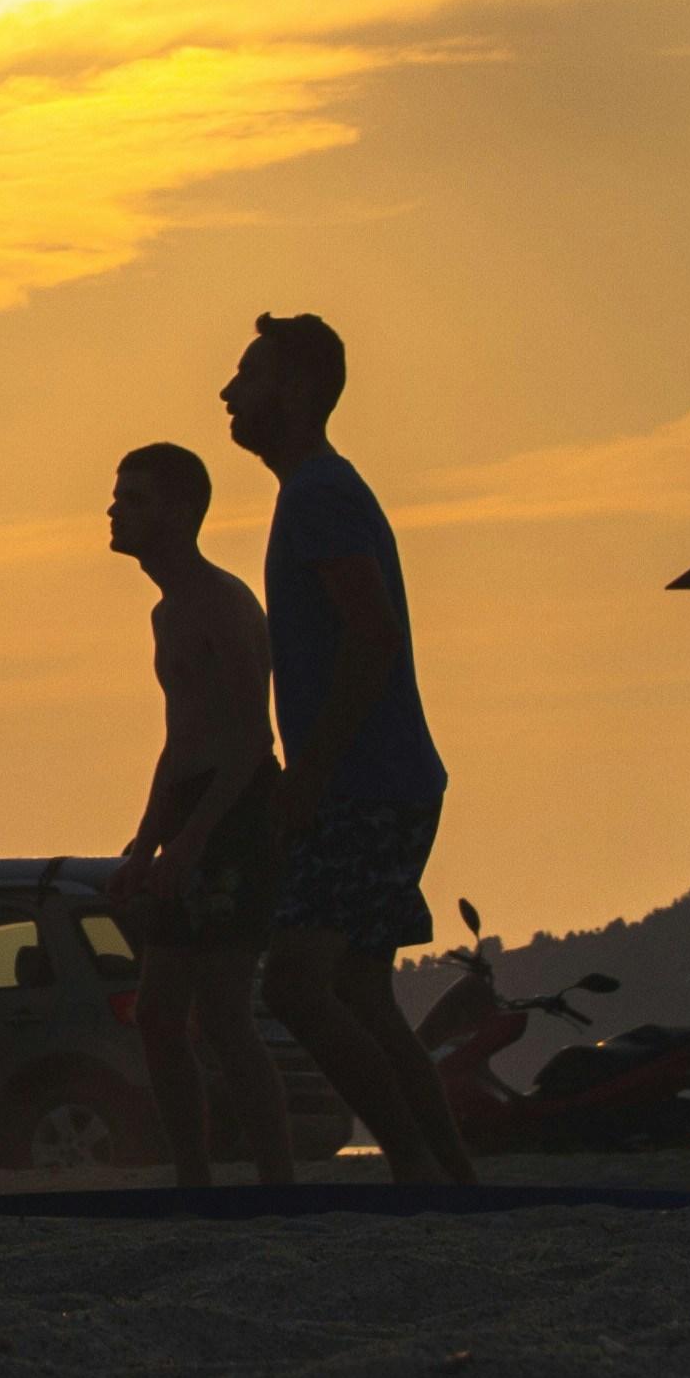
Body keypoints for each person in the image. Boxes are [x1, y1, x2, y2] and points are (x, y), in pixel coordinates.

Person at [223, 313, 478, 1186]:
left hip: (365, 784)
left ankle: (416, 1166)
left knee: (296, 987)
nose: (228, 392)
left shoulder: (319, 495)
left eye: (248, 375)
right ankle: (448, 1174)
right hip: (384, 780)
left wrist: (314, 772)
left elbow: (371, 633)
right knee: (362, 992)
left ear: (293, 392)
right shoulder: (317, 491)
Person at [99, 443, 297, 1191]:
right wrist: (148, 841)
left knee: (221, 1012)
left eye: (134, 498)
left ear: (179, 512)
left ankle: (276, 1179)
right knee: (158, 1014)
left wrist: (195, 837)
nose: (115, 510)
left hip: (236, 812)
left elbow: (252, 738)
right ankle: (194, 1179)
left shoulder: (220, 602)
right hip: (194, 809)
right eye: (118, 496)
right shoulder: (168, 611)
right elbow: (180, 737)